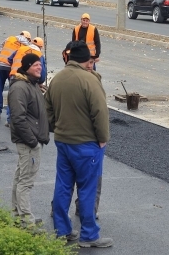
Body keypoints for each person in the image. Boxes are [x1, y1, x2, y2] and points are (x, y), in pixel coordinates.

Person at [45, 41, 112, 248]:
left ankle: (62, 230)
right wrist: (103, 138)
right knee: (87, 189)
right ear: (86, 61)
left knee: (63, 186)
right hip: (86, 144)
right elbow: (100, 111)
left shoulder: (57, 79)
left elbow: (47, 109)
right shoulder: (89, 80)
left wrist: (57, 128)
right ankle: (89, 235)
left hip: (63, 141)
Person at [8, 52, 50, 228]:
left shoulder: (32, 84)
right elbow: (18, 118)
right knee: (26, 181)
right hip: (28, 143)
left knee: (20, 178)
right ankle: (26, 220)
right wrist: (32, 141)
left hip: (32, 140)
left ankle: (18, 215)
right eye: (35, 65)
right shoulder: (20, 88)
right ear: (26, 68)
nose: (39, 67)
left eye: (40, 64)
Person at [0, 31, 32, 120]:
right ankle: (10, 117)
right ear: (27, 38)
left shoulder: (9, 38)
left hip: (1, 65)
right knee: (12, 92)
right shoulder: (26, 45)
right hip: (12, 68)